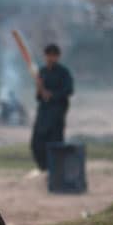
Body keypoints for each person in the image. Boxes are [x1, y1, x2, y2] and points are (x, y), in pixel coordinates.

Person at [30, 43, 74, 171]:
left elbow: (69, 90)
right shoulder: (42, 72)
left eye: (53, 56)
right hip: (43, 113)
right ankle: (43, 168)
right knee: (36, 143)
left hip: (57, 113)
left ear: (57, 57)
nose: (50, 58)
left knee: (54, 143)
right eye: (48, 55)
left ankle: (55, 170)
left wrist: (52, 95)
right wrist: (39, 88)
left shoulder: (63, 72)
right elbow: (39, 97)